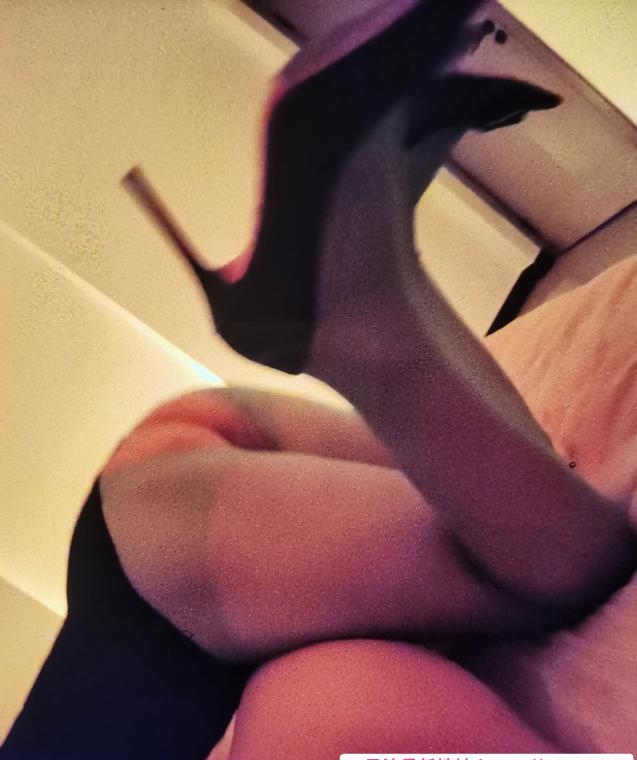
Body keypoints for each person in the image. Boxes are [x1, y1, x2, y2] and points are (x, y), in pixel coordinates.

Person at [3, 1, 635, 757]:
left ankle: (352, 302)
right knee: (530, 494)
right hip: (167, 496)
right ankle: (377, 239)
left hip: (163, 601)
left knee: (562, 567)